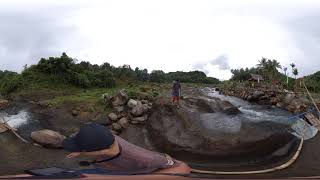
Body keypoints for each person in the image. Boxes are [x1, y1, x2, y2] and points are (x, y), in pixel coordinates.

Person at [63, 123, 190, 175]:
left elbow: (175, 166)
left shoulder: (144, 159)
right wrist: (80, 152)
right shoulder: (109, 138)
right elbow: (103, 151)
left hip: (143, 166)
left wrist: (169, 161)